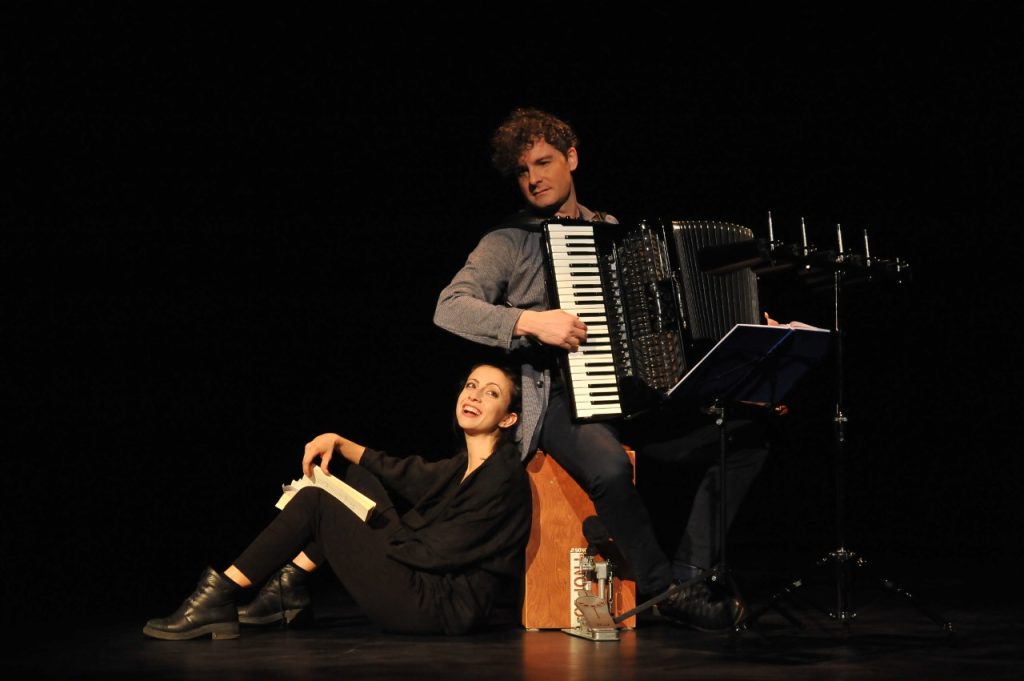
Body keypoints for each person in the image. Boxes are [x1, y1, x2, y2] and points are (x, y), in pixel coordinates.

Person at [433, 107, 771, 632]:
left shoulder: (611, 231)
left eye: (543, 163)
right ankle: (665, 591)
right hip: (561, 399)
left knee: (744, 436)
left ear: (572, 158)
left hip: (634, 392)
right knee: (610, 467)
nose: (534, 179)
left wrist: (744, 328)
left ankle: (691, 572)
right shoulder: (510, 240)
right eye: (522, 171)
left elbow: (664, 320)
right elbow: (450, 307)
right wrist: (531, 322)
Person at [143, 363, 531, 640]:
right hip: (425, 582)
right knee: (354, 476)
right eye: (471, 385)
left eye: (491, 393)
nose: (474, 395)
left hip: (435, 606)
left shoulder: (502, 476)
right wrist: (341, 443)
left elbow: (443, 551)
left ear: (508, 419)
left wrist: (357, 523)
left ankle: (218, 596)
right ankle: (286, 590)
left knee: (319, 503)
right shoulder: (464, 465)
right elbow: (406, 472)